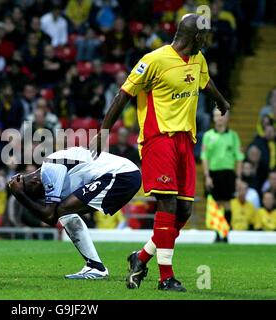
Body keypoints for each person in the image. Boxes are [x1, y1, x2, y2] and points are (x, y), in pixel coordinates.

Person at [91, 14, 230, 292]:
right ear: (195, 37)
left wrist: (220, 100)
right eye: (205, 36)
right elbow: (123, 95)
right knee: (167, 205)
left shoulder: (198, 60)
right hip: (159, 139)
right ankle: (165, 277)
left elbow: (205, 83)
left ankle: (140, 257)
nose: (207, 40)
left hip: (185, 141)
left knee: (184, 210)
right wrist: (104, 130)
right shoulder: (153, 60)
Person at [8, 146, 141, 279]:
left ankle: (96, 267)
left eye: (40, 192)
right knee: (64, 211)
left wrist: (19, 195)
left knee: (63, 210)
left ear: (35, 181)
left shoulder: (49, 168)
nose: (44, 194)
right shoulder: (55, 174)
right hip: (127, 175)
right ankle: (136, 258)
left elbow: (49, 216)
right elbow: (52, 216)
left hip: (121, 174)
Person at [201, 109, 244, 237]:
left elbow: (239, 157)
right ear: (213, 118)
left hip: (228, 173)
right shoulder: (208, 136)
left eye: (222, 115)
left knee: (227, 203)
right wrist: (207, 176)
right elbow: (204, 157)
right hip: (213, 173)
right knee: (215, 204)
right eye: (216, 115)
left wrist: (238, 177)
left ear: (227, 118)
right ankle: (217, 233)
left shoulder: (233, 136)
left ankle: (226, 233)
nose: (219, 118)